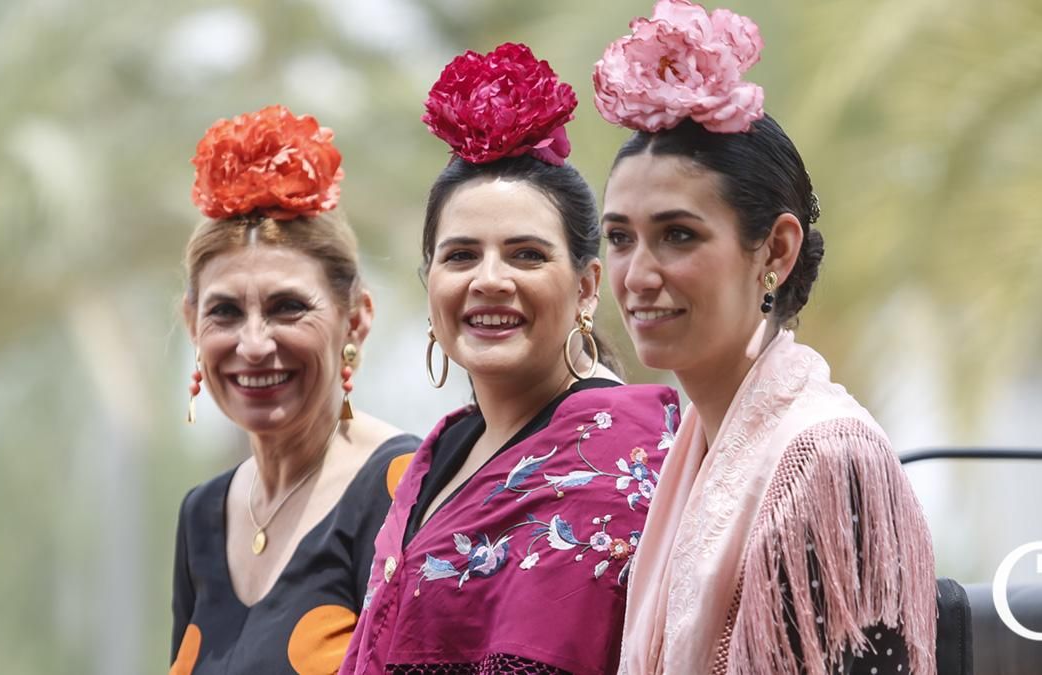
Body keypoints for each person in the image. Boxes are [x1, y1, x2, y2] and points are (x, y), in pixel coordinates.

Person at [593, 2, 938, 674]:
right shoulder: (692, 454)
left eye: (678, 235)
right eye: (620, 238)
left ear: (776, 250)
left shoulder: (827, 459)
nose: (637, 275)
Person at [340, 43, 679, 675]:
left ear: (587, 286)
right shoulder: (443, 449)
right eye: (461, 256)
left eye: (526, 255)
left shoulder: (617, 453)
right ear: (430, 281)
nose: (490, 280)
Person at [169, 105, 420, 674]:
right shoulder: (202, 513)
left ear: (355, 318)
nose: (254, 344)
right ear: (192, 324)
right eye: (225, 312)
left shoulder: (402, 488)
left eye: (287, 308)